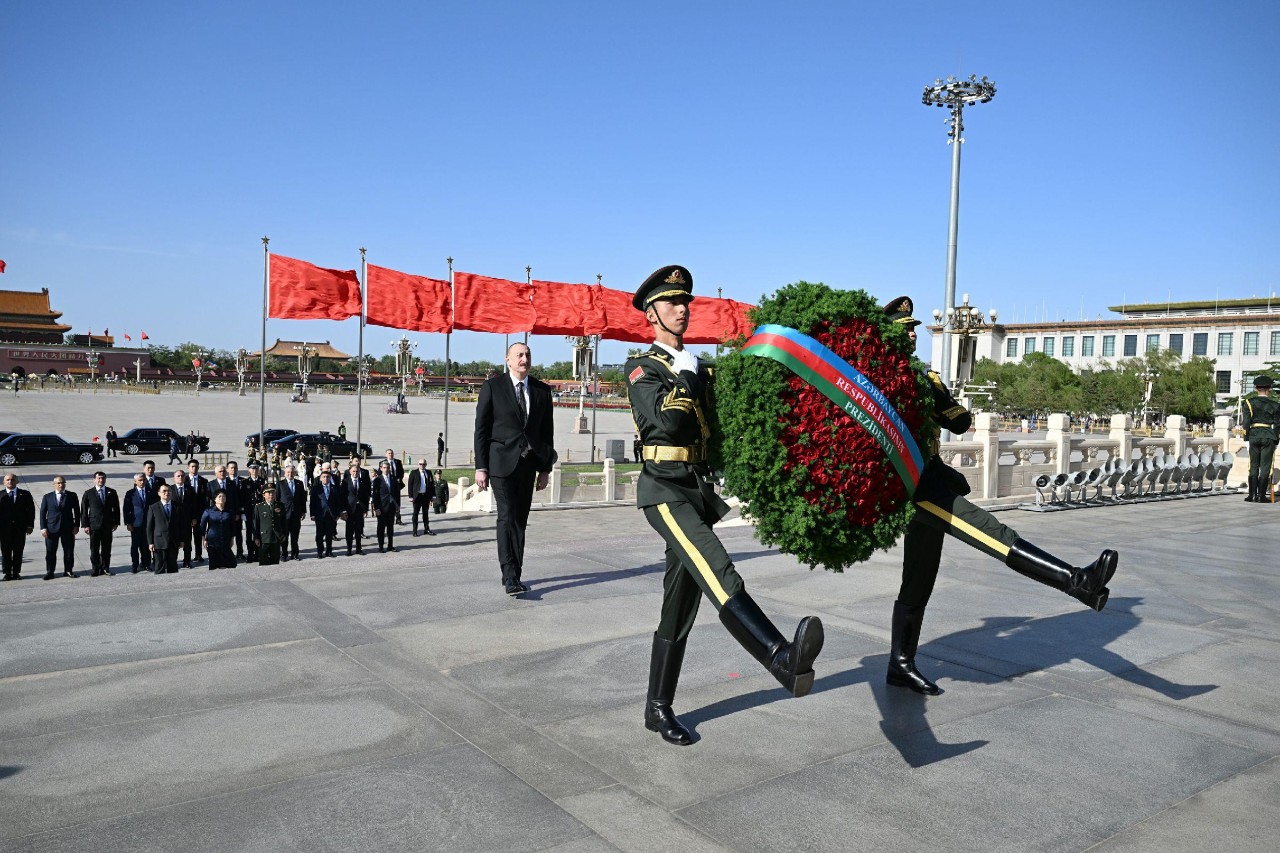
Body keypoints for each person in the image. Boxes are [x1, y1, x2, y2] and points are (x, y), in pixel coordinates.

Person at [878, 296, 1118, 697]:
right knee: (992, 532)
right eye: (906, 328)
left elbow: (960, 422)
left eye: (915, 327)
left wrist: (934, 392)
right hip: (914, 486)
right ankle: (1077, 581)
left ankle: (900, 665)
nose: (912, 333)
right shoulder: (876, 383)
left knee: (918, 580)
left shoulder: (922, 378)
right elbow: (950, 419)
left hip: (930, 477)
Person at [626, 265, 824, 746]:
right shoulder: (643, 370)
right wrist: (691, 377)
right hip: (664, 492)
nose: (682, 309)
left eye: (685, 302)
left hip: (695, 490)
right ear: (651, 313)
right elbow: (668, 425)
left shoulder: (698, 366)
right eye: (672, 302)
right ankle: (780, 657)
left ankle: (657, 708)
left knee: (679, 606)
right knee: (719, 571)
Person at [474, 341, 556, 596]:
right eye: (519, 355)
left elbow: (546, 433)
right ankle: (509, 575)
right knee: (506, 516)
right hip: (500, 464)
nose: (524, 358)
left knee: (520, 521)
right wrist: (481, 467)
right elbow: (481, 430)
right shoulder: (493, 387)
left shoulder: (542, 391)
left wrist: (545, 469)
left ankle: (515, 574)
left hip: (528, 465)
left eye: (528, 354)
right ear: (508, 360)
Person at [1242, 374, 1280, 502]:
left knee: (1253, 465)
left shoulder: (1248, 403)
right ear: (1269, 389)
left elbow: (1246, 423)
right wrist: (1276, 441)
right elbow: (1277, 425)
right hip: (1268, 435)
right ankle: (1261, 496)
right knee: (1266, 466)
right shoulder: (1275, 405)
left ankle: (1252, 495)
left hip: (1253, 435)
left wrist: (1246, 439)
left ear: (1255, 388)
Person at [39, 476, 81, 580]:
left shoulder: (72, 495)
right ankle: (50, 572)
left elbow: (77, 511)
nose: (61, 485)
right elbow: (42, 513)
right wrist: (43, 528)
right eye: (58, 483)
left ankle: (68, 570)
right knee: (50, 552)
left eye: (62, 483)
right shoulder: (47, 497)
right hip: (51, 529)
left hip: (68, 528)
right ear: (54, 484)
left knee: (68, 551)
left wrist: (76, 525)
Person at [81, 471, 120, 577]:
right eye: (98, 478)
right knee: (94, 549)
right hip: (94, 525)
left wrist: (116, 522)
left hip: (108, 525)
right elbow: (84, 510)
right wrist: (85, 525)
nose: (101, 480)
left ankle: (105, 567)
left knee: (106, 548)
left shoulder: (111, 492)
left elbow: (116, 508)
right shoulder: (88, 493)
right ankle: (95, 568)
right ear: (94, 480)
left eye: (102, 478)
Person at [1, 473, 36, 581]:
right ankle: (7, 573)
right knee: (6, 552)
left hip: (19, 529)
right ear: (4, 482)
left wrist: (30, 525)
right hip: (4, 529)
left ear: (17, 481)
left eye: (12, 480)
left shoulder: (25, 494)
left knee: (18, 551)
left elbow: (31, 510)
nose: (10, 482)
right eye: (7, 480)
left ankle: (16, 572)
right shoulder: (1, 495)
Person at [146, 483, 183, 574]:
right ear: (159, 493)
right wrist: (150, 542)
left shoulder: (177, 506)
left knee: (173, 566)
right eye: (164, 491)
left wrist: (182, 540)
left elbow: (182, 525)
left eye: (169, 491)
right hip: (159, 541)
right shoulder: (153, 507)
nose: (167, 493)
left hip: (173, 540)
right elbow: (149, 526)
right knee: (159, 565)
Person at [309, 469, 346, 558]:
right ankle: (320, 552)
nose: (326, 479)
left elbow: (338, 502)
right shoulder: (316, 488)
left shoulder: (334, 488)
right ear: (320, 478)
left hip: (331, 515)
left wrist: (338, 514)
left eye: (328, 477)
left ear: (330, 478)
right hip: (320, 514)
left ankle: (329, 551)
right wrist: (312, 514)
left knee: (329, 534)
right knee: (320, 535)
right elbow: (312, 502)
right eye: (324, 477)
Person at [122, 473, 152, 573]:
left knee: (146, 545)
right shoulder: (130, 493)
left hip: (148, 523)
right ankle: (135, 565)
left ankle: (146, 564)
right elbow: (126, 509)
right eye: (140, 480)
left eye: (143, 480)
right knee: (135, 546)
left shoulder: (150, 492)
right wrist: (128, 523)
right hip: (135, 523)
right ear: (135, 481)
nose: (142, 482)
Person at [277, 463, 307, 561]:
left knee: (295, 537)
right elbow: (277, 499)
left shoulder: (299, 483)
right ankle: (284, 554)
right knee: (284, 536)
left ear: (295, 473)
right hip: (284, 515)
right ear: (285, 473)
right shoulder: (280, 484)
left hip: (296, 514)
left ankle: (295, 554)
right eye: (288, 472)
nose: (290, 474)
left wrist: (303, 511)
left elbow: (303, 499)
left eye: (292, 472)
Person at [200, 491, 237, 570]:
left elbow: (232, 526)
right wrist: (203, 539)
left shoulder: (229, 511)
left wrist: (232, 539)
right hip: (212, 540)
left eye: (223, 496)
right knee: (214, 563)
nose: (221, 498)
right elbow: (202, 526)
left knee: (231, 563)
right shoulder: (208, 511)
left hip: (225, 539)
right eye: (219, 496)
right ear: (215, 499)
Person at [341, 460, 370, 556]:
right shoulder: (345, 482)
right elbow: (343, 496)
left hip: (359, 509)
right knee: (349, 531)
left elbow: (366, 496)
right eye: (353, 471)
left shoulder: (362, 482)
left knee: (358, 530)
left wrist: (365, 509)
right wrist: (343, 510)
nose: (355, 473)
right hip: (349, 509)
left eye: (357, 471)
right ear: (350, 472)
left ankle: (358, 548)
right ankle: (349, 549)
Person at [372, 459, 402, 552]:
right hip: (381, 507)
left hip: (391, 506)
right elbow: (375, 495)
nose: (386, 469)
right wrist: (376, 508)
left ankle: (390, 545)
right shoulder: (377, 480)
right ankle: (381, 546)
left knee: (390, 527)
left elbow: (397, 493)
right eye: (384, 468)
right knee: (381, 528)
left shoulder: (393, 479)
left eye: (388, 468)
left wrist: (397, 505)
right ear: (381, 468)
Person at [254, 485, 284, 565]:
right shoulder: (259, 507)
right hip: (264, 538)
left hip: (276, 537)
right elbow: (256, 524)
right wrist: (256, 537)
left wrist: (284, 535)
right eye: (269, 493)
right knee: (264, 562)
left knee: (275, 562)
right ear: (264, 495)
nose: (271, 494)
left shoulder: (280, 505)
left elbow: (284, 522)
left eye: (273, 492)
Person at [186, 459, 208, 564]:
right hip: (187, 513)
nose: (194, 468)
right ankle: (187, 556)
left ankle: (198, 555)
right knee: (187, 536)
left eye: (196, 466)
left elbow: (206, 498)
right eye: (192, 466)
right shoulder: (184, 480)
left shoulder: (203, 481)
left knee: (198, 535)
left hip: (199, 512)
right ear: (188, 468)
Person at [408, 458, 436, 536]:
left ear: (426, 465)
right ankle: (415, 530)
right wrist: (411, 496)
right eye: (420, 464)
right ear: (418, 464)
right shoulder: (414, 473)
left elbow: (431, 485)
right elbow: (410, 485)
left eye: (423, 464)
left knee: (425, 513)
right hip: (417, 496)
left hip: (426, 496)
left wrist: (433, 496)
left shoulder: (429, 472)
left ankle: (426, 529)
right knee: (415, 514)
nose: (422, 466)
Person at [226, 460, 246, 559]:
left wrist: (240, 512)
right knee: (228, 534)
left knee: (238, 534)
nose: (233, 469)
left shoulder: (243, 481)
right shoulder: (225, 481)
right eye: (231, 468)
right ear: (227, 469)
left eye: (235, 467)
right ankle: (228, 553)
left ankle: (240, 552)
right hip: (228, 512)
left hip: (239, 512)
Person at [383, 448, 405, 524]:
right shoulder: (383, 463)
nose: (390, 454)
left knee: (397, 502)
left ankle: (398, 518)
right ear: (386, 455)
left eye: (391, 453)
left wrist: (399, 478)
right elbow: (380, 473)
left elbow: (401, 472)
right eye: (389, 453)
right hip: (387, 486)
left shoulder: (398, 462)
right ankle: (387, 518)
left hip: (396, 486)